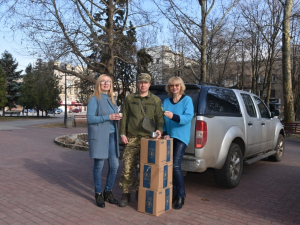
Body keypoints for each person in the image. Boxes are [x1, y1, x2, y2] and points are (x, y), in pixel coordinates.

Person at [118, 73, 164, 207]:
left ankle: (139, 192)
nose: (143, 84)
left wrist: (159, 130)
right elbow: (124, 117)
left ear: (149, 84)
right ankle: (126, 194)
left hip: (147, 138)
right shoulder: (129, 99)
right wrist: (122, 133)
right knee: (127, 167)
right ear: (137, 84)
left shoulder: (155, 100)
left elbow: (160, 118)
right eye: (140, 82)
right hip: (131, 138)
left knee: (143, 168)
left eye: (145, 82)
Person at [87, 74, 122, 208]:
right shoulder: (94, 99)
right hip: (100, 137)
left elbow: (113, 118)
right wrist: (108, 117)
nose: (106, 83)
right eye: (103, 81)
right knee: (99, 166)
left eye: (108, 81)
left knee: (114, 166)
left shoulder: (112, 100)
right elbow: (90, 119)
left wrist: (117, 117)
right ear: (99, 84)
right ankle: (98, 193)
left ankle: (108, 191)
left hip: (112, 136)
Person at [162, 76, 194, 210]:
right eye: (171, 85)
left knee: (175, 165)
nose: (174, 87)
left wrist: (173, 116)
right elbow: (161, 119)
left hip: (181, 137)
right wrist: (164, 133)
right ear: (169, 88)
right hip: (169, 137)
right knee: (169, 166)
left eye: (177, 85)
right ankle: (174, 193)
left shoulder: (187, 100)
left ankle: (181, 195)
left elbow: (188, 117)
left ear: (181, 86)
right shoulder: (166, 101)